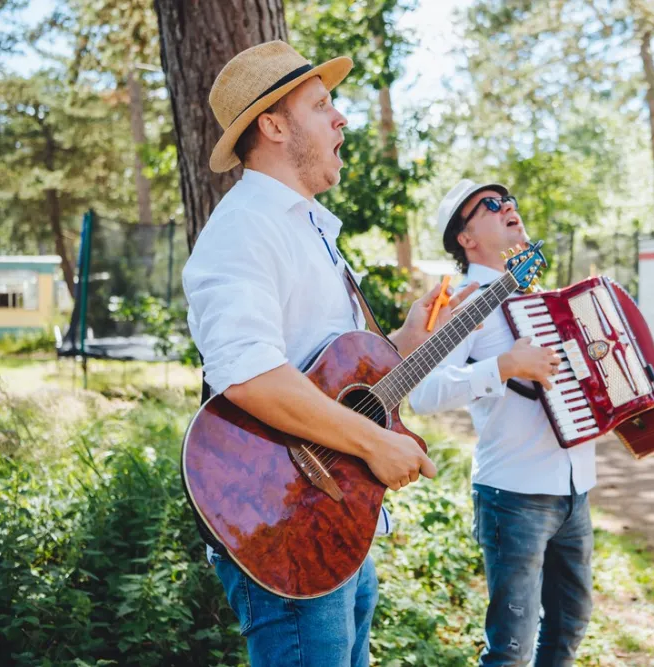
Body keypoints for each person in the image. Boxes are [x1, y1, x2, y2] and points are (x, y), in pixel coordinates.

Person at [182, 41, 479, 667]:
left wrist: (406, 343)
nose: (341, 118)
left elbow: (331, 373)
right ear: (273, 126)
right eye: (321, 106)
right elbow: (249, 376)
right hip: (282, 528)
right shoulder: (245, 228)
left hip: (334, 520)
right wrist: (375, 443)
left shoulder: (309, 228)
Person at [409, 179, 594, 667]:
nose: (508, 206)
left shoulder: (542, 295)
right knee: (512, 648)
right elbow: (423, 393)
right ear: (465, 238)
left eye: (508, 200)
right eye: (491, 205)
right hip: (513, 496)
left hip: (574, 489)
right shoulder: (464, 300)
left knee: (570, 625)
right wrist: (504, 367)